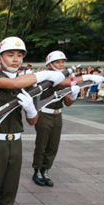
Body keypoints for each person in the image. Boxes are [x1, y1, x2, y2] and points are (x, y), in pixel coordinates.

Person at [0, 37, 67, 205]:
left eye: (19, 55)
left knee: (11, 185)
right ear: (0, 58)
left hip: (15, 142)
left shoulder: (27, 83)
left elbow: (33, 121)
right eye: (10, 55)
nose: (16, 59)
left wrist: (30, 109)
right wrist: (43, 74)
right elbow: (13, 83)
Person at [32, 50, 81, 187]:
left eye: (62, 62)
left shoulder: (67, 79)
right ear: (49, 64)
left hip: (57, 114)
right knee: (42, 144)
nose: (61, 64)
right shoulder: (44, 78)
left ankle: (45, 170)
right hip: (44, 114)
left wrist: (73, 96)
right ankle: (37, 171)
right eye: (57, 62)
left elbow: (67, 103)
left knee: (53, 145)